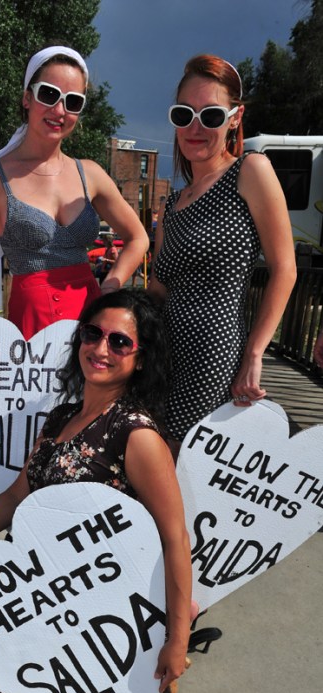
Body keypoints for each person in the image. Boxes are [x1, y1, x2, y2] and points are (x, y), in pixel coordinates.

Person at [0, 289, 195, 693]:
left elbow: (175, 538)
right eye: (92, 334)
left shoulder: (138, 437)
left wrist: (177, 641)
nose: (101, 348)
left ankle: (140, 675)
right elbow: (13, 497)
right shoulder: (61, 417)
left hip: (92, 597)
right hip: (39, 583)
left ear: (140, 359)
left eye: (119, 342)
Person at [0, 46, 149, 339]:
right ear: (27, 97)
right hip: (29, 326)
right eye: (49, 94)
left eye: (73, 101)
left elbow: (139, 237)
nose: (59, 110)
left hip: (91, 326)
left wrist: (110, 286)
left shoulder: (91, 173)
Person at [148, 54, 296, 456]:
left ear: (234, 117)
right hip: (163, 356)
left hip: (214, 352)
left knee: (184, 464)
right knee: (155, 464)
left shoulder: (250, 171)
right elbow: (158, 292)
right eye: (184, 114)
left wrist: (254, 353)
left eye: (211, 115)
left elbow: (285, 269)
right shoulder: (173, 203)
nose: (195, 128)